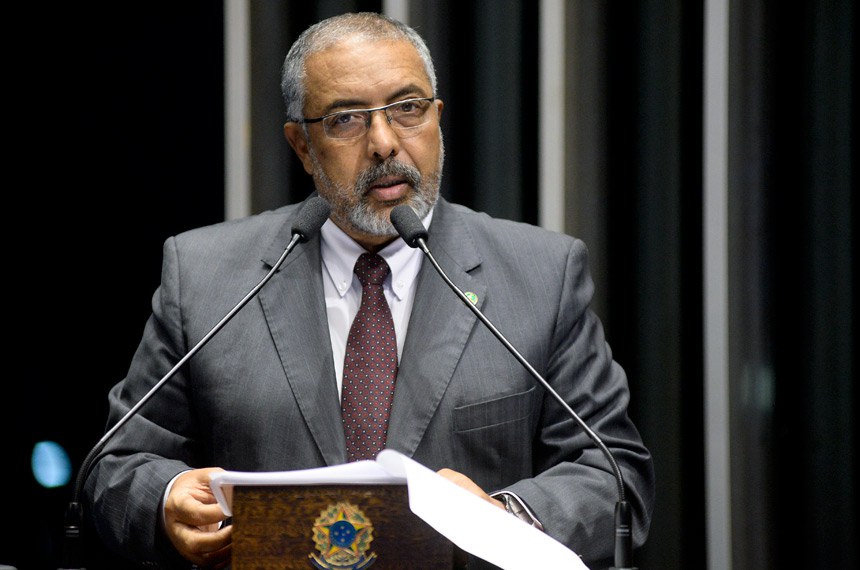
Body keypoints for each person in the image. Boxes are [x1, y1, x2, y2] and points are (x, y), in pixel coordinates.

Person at [84, 11, 654, 570]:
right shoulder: (206, 275)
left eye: (407, 109)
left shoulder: (541, 274)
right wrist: (167, 500)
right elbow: (115, 464)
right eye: (346, 119)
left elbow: (612, 471)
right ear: (301, 145)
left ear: (437, 118)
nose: (384, 143)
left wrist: (504, 517)